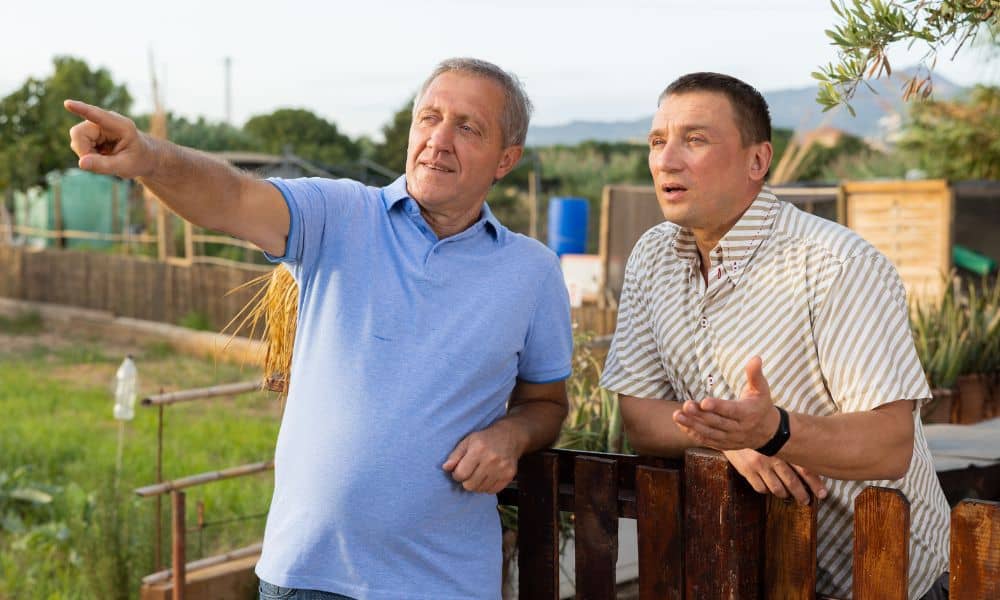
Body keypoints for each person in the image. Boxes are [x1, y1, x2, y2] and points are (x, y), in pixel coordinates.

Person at [65, 57, 573, 600]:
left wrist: (511, 435)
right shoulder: (341, 214)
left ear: (506, 159)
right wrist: (149, 158)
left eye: (467, 127)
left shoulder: (532, 272)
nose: (439, 140)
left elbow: (547, 403)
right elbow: (233, 197)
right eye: (428, 118)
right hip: (305, 576)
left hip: (445, 582)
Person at [599, 72, 950, 599]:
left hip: (894, 578)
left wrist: (774, 430)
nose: (666, 160)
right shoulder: (652, 256)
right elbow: (640, 417)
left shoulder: (836, 264)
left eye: (694, 139)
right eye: (657, 141)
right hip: (760, 575)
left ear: (757, 161)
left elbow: (890, 444)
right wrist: (731, 441)